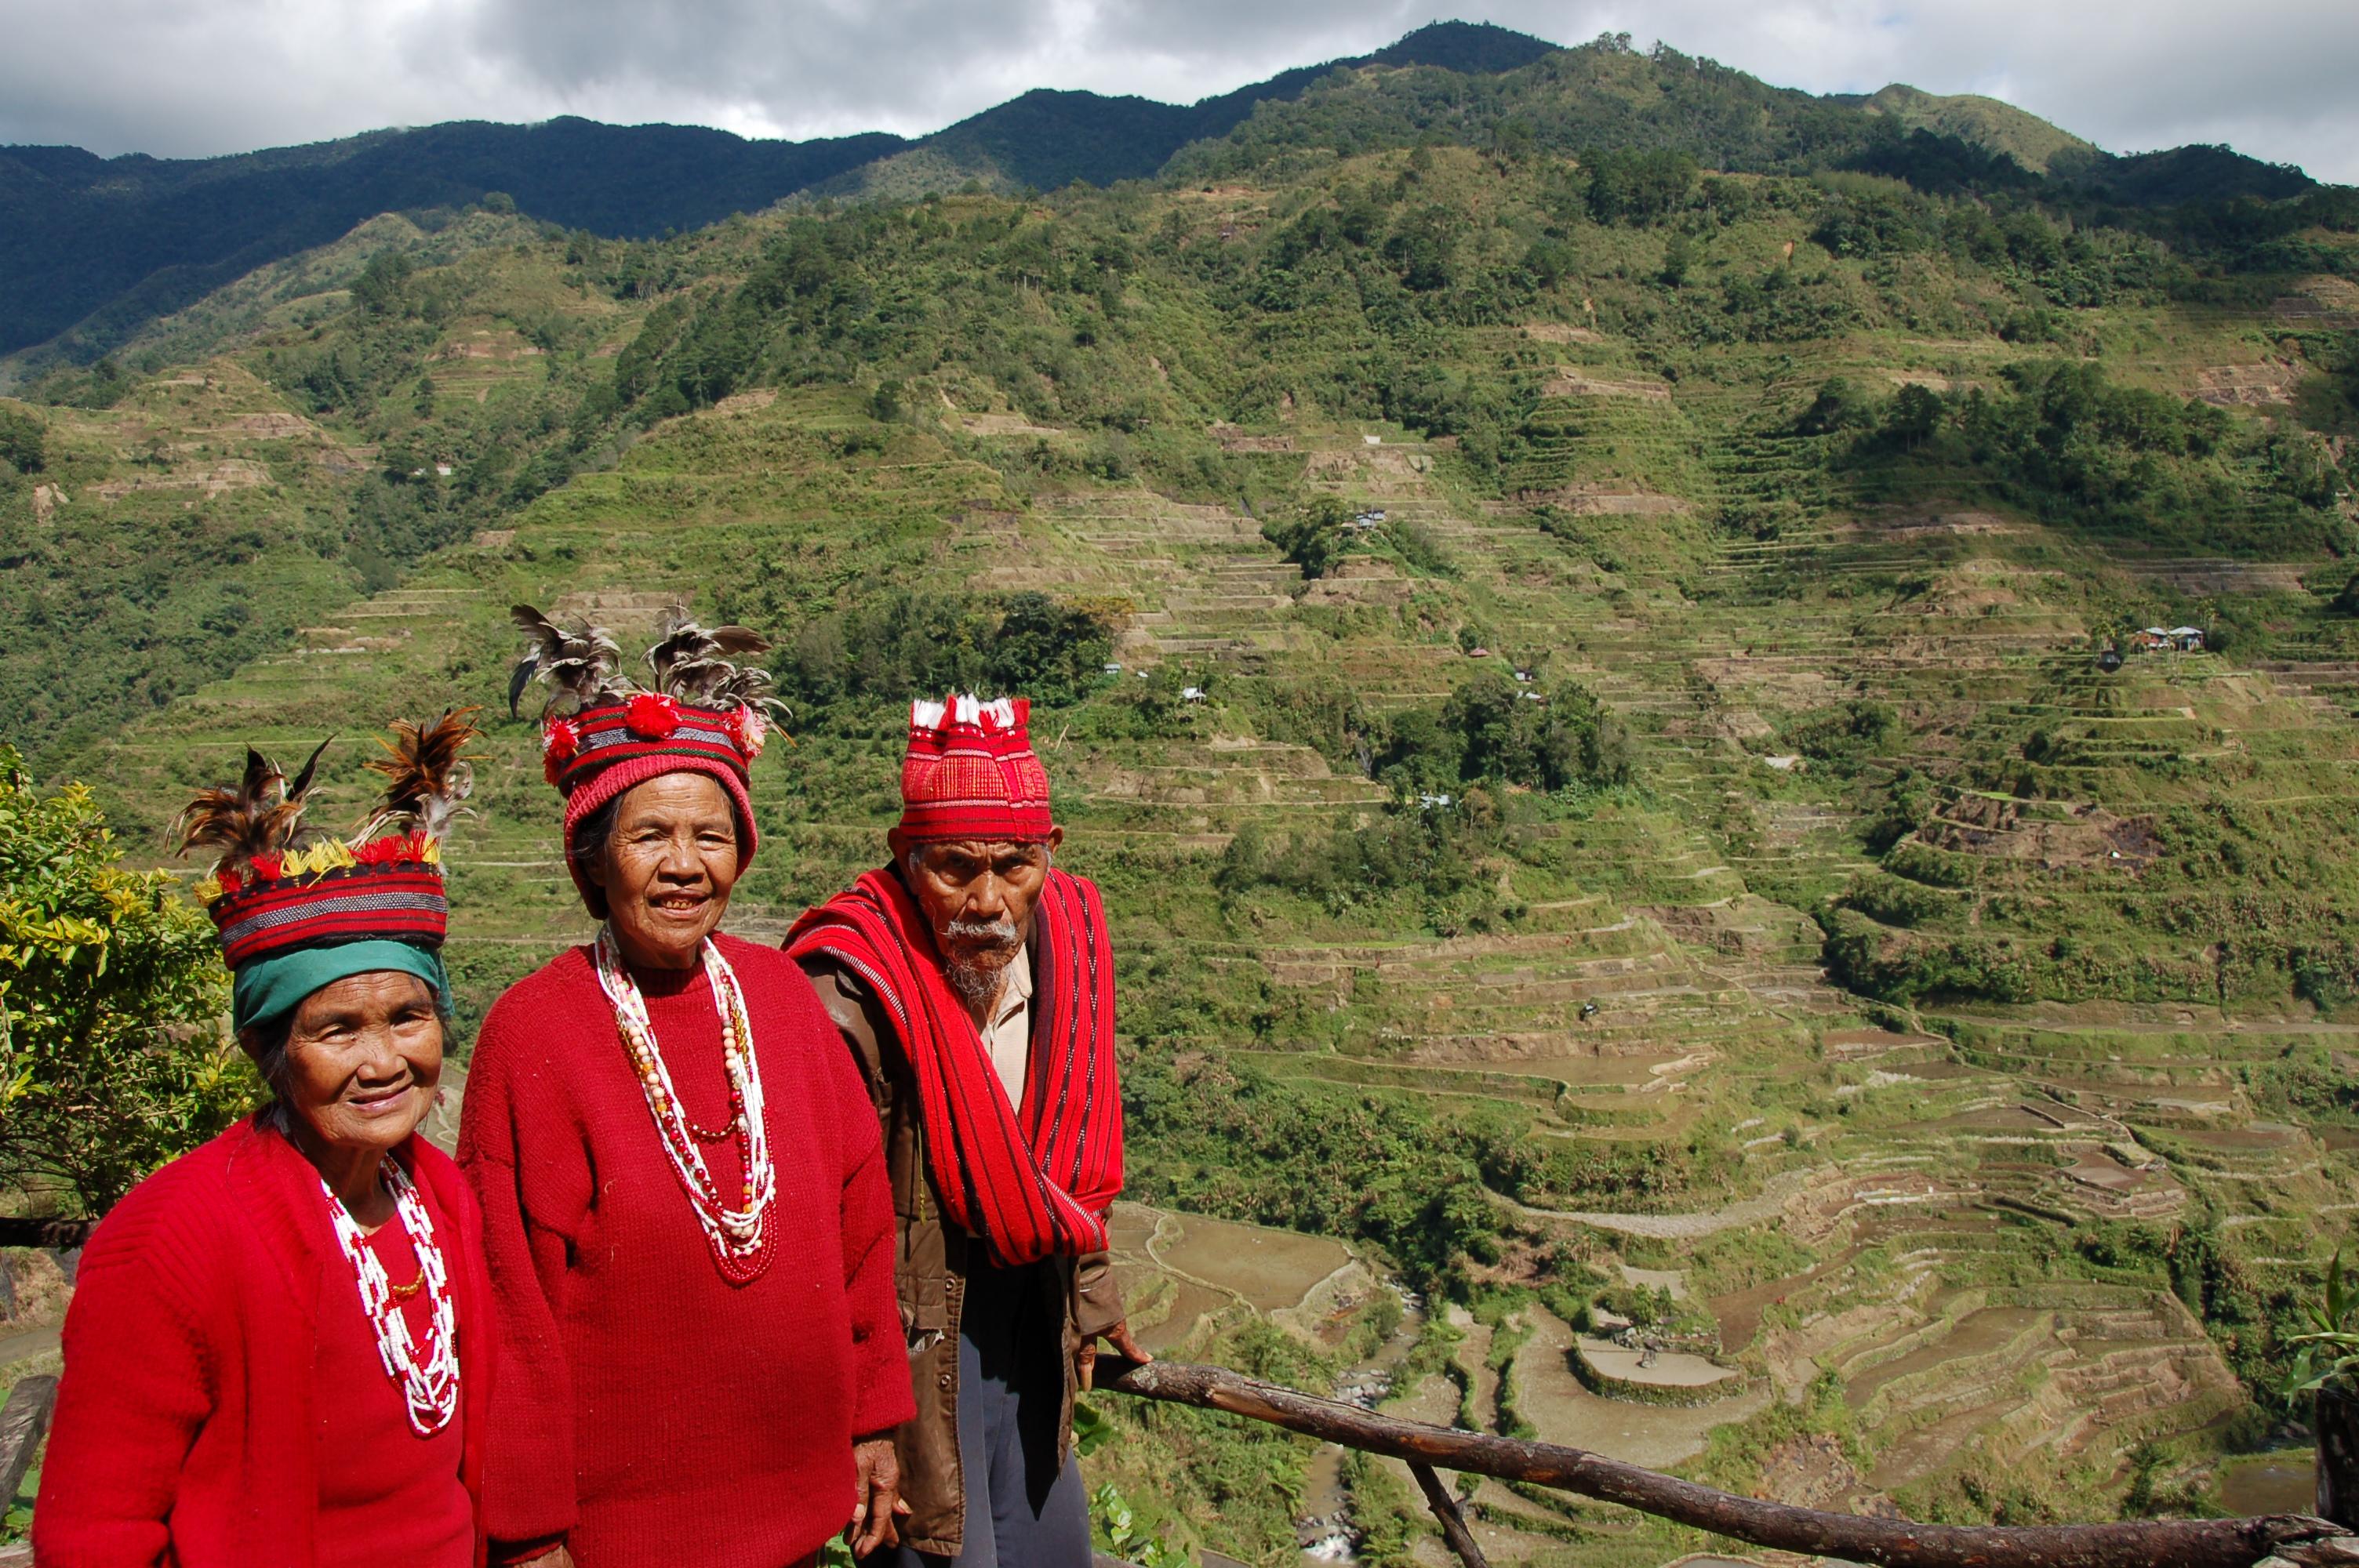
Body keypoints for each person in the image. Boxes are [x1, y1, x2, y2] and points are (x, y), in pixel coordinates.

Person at [460, 606, 913, 1568]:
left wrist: (873, 1416)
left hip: (798, 1505)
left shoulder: (783, 1000)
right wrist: (529, 1527)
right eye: (650, 834)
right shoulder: (535, 1033)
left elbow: (860, 1220)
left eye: (710, 835)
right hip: (620, 1531)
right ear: (592, 862)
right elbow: (510, 1303)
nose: (682, 864)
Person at [37, 715, 496, 1568]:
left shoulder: (437, 1196)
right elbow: (93, 1530)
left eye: (408, 1016)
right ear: (266, 1049)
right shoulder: (172, 1240)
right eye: (336, 1029)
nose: (383, 1060)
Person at [788, 693, 1148, 1566]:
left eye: (1013, 865)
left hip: (1028, 1321)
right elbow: (824, 1228)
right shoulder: (849, 996)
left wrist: (1087, 1297)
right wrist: (860, 1410)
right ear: (905, 859)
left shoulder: (1073, 945)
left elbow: (1075, 1145)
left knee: (1052, 1549)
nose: (985, 900)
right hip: (914, 1342)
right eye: (954, 867)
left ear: (1049, 858)